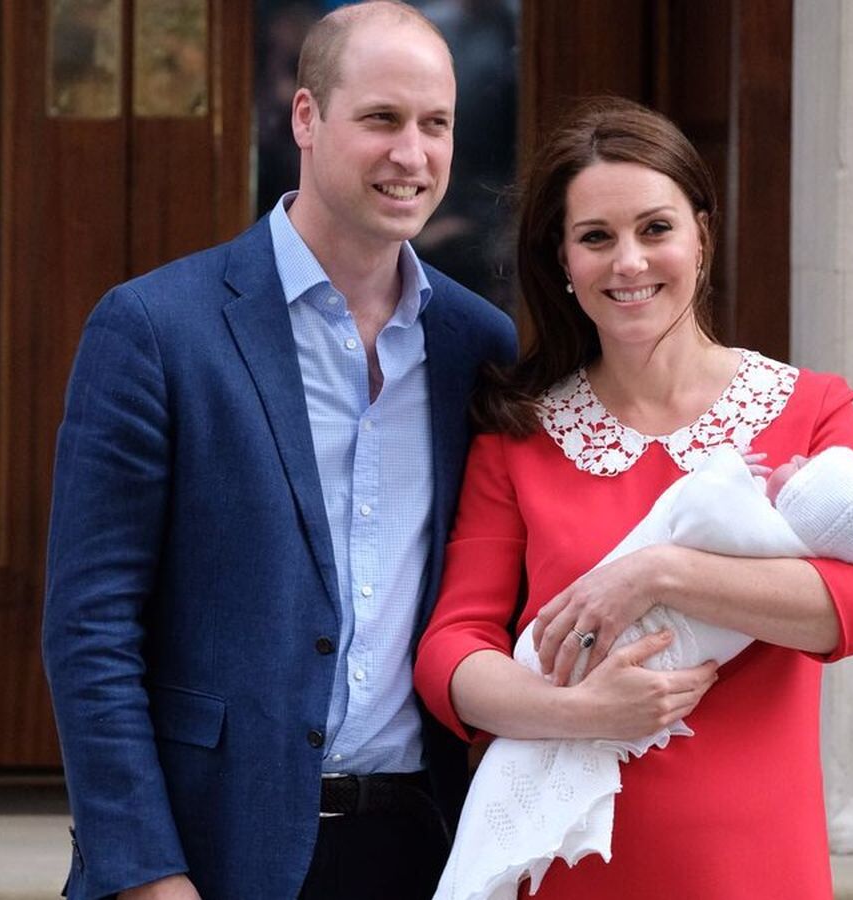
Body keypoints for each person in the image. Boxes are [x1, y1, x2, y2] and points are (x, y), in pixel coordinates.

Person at [41, 3, 516, 900]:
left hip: (429, 846)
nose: (411, 154)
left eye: (435, 124)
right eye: (381, 118)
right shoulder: (154, 329)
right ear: (305, 117)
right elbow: (89, 628)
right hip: (218, 852)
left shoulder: (477, 345)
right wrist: (145, 872)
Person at [413, 97, 853, 899]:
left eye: (655, 229)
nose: (629, 263)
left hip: (753, 868)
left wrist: (658, 574)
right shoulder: (519, 434)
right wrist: (583, 712)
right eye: (596, 238)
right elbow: (451, 650)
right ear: (563, 261)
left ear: (700, 236)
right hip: (566, 866)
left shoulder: (810, 409)